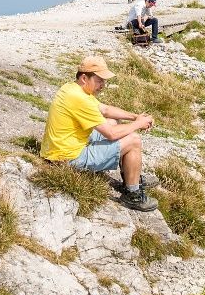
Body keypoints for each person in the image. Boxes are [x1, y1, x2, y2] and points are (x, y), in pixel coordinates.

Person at [41, 55, 160, 212]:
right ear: (84, 78)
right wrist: (138, 124)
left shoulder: (72, 88)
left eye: (104, 81)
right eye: (99, 80)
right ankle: (133, 195)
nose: (103, 85)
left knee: (113, 121)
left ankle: (132, 177)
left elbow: (105, 110)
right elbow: (111, 134)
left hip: (58, 149)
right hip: (67, 158)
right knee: (134, 140)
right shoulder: (79, 99)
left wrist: (135, 117)